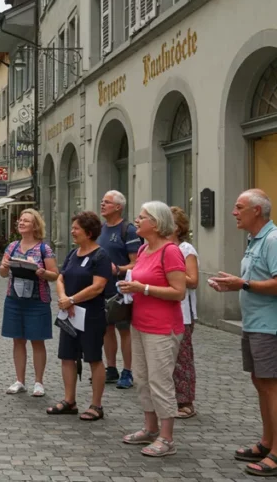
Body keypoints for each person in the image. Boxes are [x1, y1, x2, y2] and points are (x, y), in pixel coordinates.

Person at [211, 189, 277, 477]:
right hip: (255, 323)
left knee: (273, 384)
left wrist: (242, 284)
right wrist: (235, 284)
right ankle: (267, 442)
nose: (234, 212)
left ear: (256, 211)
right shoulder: (254, 239)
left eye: (239, 207)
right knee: (260, 381)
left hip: (271, 325)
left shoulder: (274, 240)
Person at [117, 202, 186, 458]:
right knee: (142, 378)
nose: (137, 220)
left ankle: (167, 438)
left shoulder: (170, 252)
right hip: (140, 323)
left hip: (163, 327)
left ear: (155, 223)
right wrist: (129, 287)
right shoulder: (144, 249)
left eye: (142, 217)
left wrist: (142, 289)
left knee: (160, 381)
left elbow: (179, 292)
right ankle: (150, 428)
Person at [47, 212, 111, 421]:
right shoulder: (74, 254)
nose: (72, 231)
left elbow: (98, 286)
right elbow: (60, 278)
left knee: (93, 357)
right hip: (69, 314)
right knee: (67, 356)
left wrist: (72, 300)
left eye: (76, 228)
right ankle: (69, 400)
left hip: (91, 315)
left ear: (89, 232)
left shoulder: (100, 256)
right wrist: (64, 297)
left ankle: (97, 405)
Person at [0, 209, 58, 398]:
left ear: (35, 226)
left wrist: (41, 272)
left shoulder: (44, 249)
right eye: (20, 220)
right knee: (18, 340)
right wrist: (4, 267)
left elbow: (55, 274)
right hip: (14, 299)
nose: (21, 223)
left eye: (26, 221)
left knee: (37, 341)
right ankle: (19, 380)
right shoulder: (12, 247)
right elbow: (1, 273)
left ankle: (39, 382)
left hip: (37, 300)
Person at [99, 190, 140, 388]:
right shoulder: (100, 229)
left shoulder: (128, 230)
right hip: (101, 288)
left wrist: (119, 269)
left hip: (121, 289)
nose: (102, 204)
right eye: (102, 201)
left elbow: (137, 263)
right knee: (106, 329)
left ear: (118, 207)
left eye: (106, 202)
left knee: (124, 330)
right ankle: (111, 368)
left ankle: (128, 371)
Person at [169, 207, 199, 419]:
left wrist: (171, 274)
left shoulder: (186, 248)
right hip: (162, 309)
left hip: (182, 312)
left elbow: (193, 280)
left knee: (183, 358)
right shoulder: (156, 247)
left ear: (177, 227)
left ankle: (186, 401)